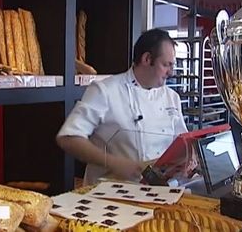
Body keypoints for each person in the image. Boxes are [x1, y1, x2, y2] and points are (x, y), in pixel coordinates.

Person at [56, 29, 188, 185]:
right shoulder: (105, 91)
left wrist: (188, 158)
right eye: (166, 65)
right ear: (147, 59)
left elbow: (182, 143)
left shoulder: (171, 97)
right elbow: (68, 138)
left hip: (158, 192)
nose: (171, 72)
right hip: (107, 195)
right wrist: (112, 162)